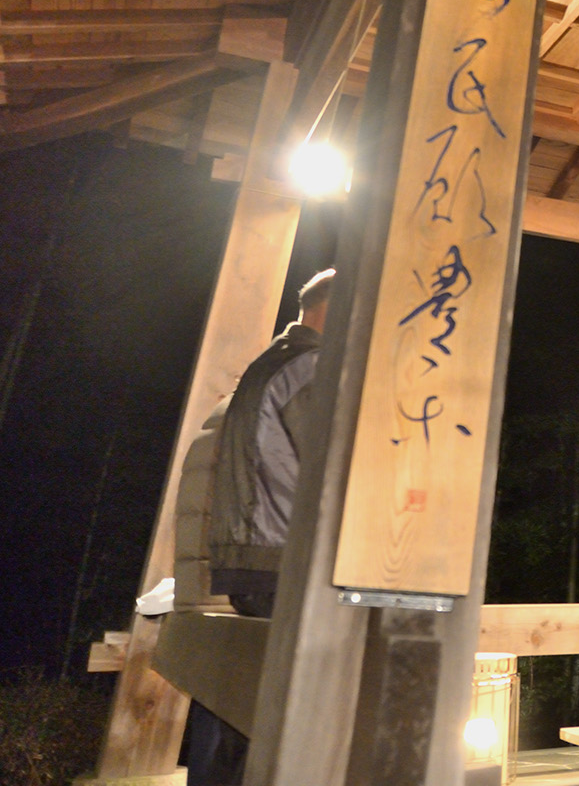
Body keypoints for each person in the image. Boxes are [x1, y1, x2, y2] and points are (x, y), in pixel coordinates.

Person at [188, 268, 334, 785]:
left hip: (251, 555)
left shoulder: (269, 362)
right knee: (281, 717)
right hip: (281, 558)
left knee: (243, 703)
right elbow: (340, 462)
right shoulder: (312, 367)